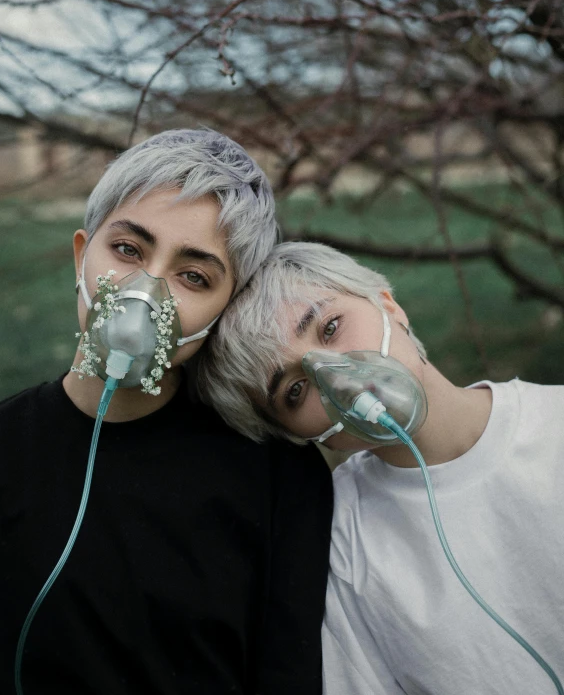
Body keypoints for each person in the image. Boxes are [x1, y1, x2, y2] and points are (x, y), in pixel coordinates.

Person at [0, 132, 333, 695]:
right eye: (127, 250)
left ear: (224, 311)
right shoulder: (2, 450)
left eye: (193, 276)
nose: (146, 291)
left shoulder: (277, 479)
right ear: (82, 255)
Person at [198, 240, 564, 695]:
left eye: (330, 327)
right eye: (294, 391)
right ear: (295, 433)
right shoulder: (341, 547)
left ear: (388, 306)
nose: (333, 374)